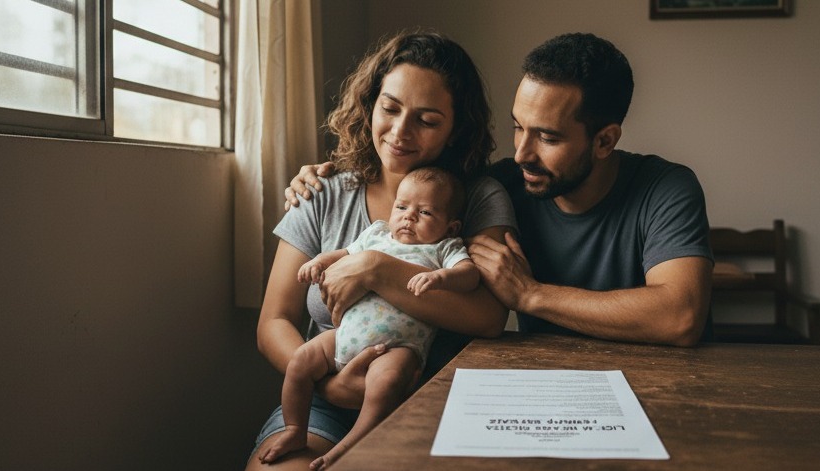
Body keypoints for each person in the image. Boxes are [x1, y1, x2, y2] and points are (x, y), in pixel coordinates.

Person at [285, 32, 713, 347]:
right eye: (517, 128)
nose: (522, 153)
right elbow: (423, 183)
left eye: (547, 138)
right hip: (542, 383)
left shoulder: (665, 187)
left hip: (665, 382)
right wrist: (326, 175)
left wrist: (532, 295)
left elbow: (680, 316)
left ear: (604, 140)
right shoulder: (505, 183)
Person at [248, 31, 515, 471]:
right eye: (389, 109)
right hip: (322, 401)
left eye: (427, 121)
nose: (399, 132)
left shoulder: (476, 198)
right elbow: (273, 322)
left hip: (439, 397)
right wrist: (331, 386)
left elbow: (488, 317)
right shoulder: (321, 194)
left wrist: (375, 268)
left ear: (455, 130)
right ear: (370, 104)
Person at [258, 167, 478, 469]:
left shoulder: (443, 248)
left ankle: (355, 441)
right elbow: (344, 253)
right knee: (301, 360)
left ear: (451, 227)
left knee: (385, 382)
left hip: (398, 347)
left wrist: (442, 278)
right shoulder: (376, 233)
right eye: (401, 207)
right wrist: (319, 261)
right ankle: (296, 429)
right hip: (345, 336)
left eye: (425, 212)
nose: (408, 217)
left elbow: (469, 275)